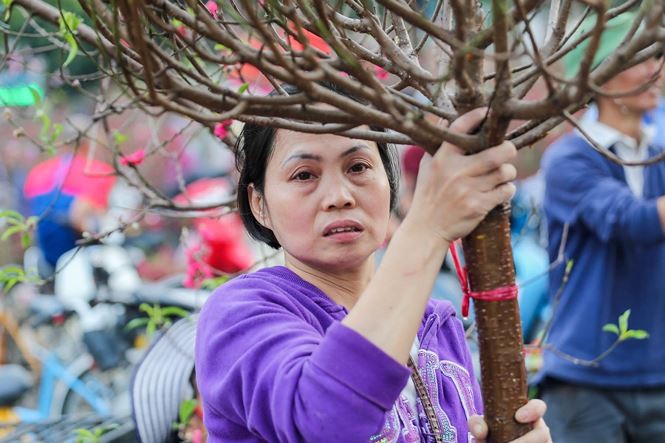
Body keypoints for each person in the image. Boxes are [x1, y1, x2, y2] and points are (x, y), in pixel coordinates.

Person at [195, 84, 551, 442]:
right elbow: (322, 421)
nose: (339, 197)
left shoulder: (437, 325)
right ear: (259, 203)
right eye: (304, 174)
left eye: (358, 167)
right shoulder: (240, 315)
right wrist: (427, 224)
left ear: (389, 181)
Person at [538, 12, 665, 442]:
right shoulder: (571, 158)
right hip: (586, 377)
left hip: (658, 370)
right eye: (638, 58)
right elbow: (635, 222)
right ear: (601, 75)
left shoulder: (659, 154)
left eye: (656, 57)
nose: (654, 70)